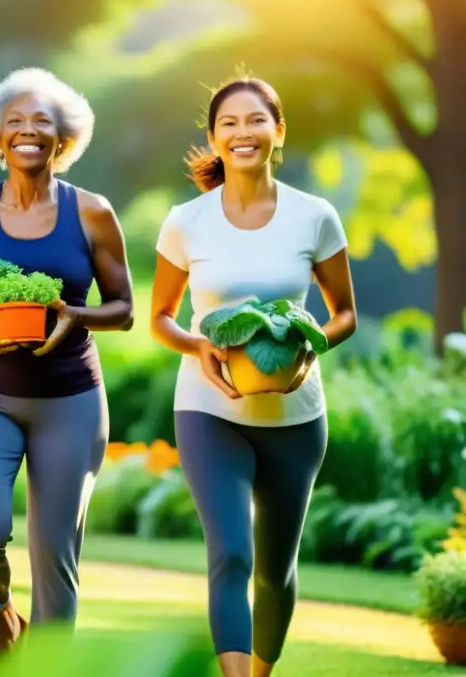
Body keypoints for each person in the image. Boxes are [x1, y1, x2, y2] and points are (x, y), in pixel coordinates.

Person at [150, 77, 357, 677]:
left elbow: (343, 312)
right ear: (214, 138)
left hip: (295, 417)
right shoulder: (185, 222)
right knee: (231, 555)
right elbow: (160, 318)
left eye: (256, 120)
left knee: (274, 571)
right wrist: (199, 347)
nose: (244, 133)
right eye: (230, 123)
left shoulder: (313, 216)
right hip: (209, 412)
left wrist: (312, 348)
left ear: (278, 131)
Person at [0, 67, 134, 672]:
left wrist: (77, 315)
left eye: (41, 122)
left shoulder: (93, 213)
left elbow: (123, 307)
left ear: (62, 140)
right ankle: (5, 620)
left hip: (70, 399)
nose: (27, 130)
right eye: (14, 122)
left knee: (55, 557)